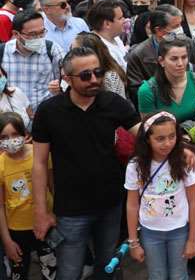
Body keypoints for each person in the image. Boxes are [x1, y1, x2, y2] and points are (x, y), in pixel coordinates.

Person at [31, 47, 145, 280]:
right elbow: (40, 163)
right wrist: (41, 211)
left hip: (111, 203)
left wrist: (179, 147)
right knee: (70, 271)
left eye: (98, 72)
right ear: (67, 78)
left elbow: (144, 135)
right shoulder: (49, 111)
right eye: (85, 75)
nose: (94, 79)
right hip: (70, 209)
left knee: (108, 265)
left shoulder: (113, 103)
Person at [125, 112, 195, 280]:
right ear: (147, 139)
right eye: (160, 139)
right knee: (157, 275)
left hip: (180, 230)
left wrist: (193, 239)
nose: (167, 143)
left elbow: (194, 201)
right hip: (150, 232)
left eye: (172, 136)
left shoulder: (185, 161)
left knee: (179, 275)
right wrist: (133, 242)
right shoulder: (135, 166)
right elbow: (132, 204)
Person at [0, 111, 56, 280]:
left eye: (15, 134)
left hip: (46, 225)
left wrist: (55, 214)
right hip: (17, 230)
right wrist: (7, 241)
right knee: (19, 272)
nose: (10, 140)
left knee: (51, 269)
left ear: (25, 134)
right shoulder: (1, 165)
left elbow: (53, 187)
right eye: (4, 137)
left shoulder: (40, 155)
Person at [137, 38, 195, 125]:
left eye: (184, 57)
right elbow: (151, 130)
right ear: (161, 61)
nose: (180, 63)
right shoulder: (147, 91)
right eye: (174, 59)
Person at [2, 9, 64, 112]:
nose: (39, 38)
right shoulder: (2, 52)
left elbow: (69, 78)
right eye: (33, 34)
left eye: (42, 32)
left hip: (45, 115)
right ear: (16, 34)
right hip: (12, 119)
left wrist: (60, 87)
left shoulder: (52, 49)